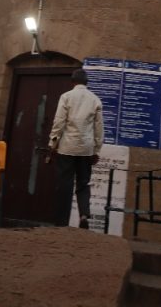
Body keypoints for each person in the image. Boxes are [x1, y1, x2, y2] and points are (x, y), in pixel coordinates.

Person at [48, 68, 103, 229]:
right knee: (83, 183)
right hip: (86, 149)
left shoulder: (66, 97)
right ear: (87, 83)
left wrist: (52, 144)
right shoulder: (95, 100)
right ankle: (84, 214)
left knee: (65, 184)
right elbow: (99, 128)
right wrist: (96, 150)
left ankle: (61, 222)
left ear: (72, 82)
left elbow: (59, 122)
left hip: (67, 148)